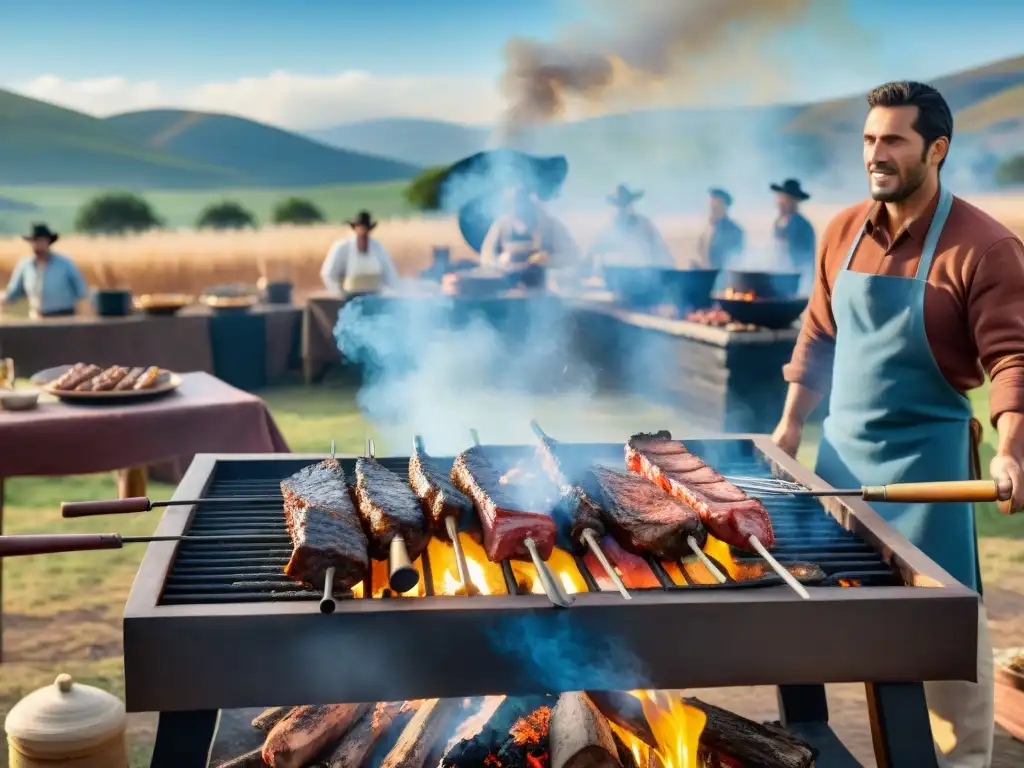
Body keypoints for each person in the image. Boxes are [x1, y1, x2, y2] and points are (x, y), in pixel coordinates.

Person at [773, 81, 1024, 768]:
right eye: (868, 140)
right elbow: (817, 337)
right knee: (820, 614)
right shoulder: (841, 230)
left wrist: (1011, 451)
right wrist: (792, 425)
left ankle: (962, 758)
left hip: (928, 468)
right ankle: (811, 741)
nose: (875, 155)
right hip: (842, 461)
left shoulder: (985, 246)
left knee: (941, 623)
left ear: (936, 149)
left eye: (893, 141)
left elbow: (1012, 359)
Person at [479, 187, 580, 272]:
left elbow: (572, 255)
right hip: (507, 283)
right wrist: (499, 262)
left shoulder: (550, 225)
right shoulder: (501, 225)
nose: (521, 208)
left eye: (525, 202)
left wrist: (549, 260)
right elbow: (486, 256)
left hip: (540, 283)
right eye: (517, 203)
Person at [0, 224, 88, 318]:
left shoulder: (65, 264)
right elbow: (13, 292)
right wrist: (3, 300)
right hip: (37, 318)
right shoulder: (24, 266)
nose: (38, 244)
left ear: (48, 242)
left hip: (64, 317)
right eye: (35, 240)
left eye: (41, 240)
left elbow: (81, 290)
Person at [587, 184, 673, 269]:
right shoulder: (610, 227)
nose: (623, 208)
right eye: (620, 204)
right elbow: (594, 250)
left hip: (643, 272)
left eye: (626, 203)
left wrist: (666, 268)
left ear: (631, 204)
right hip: (617, 274)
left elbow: (661, 249)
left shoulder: (644, 224)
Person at [320, 211, 399, 294]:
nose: (363, 232)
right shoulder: (343, 247)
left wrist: (390, 292)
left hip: (375, 296)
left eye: (365, 228)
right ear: (355, 228)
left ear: (369, 230)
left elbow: (390, 273)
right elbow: (328, 273)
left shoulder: (378, 247)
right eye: (360, 228)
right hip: (351, 297)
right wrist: (338, 293)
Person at [770, 179, 816, 273]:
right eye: (781, 197)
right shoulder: (779, 222)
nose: (780, 202)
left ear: (794, 201)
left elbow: (805, 258)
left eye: (786, 199)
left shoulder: (802, 225)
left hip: (795, 275)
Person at [696, 188, 744, 269]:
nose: (711, 207)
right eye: (711, 203)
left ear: (724, 206)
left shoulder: (733, 231)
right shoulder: (707, 229)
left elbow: (733, 259)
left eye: (716, 204)